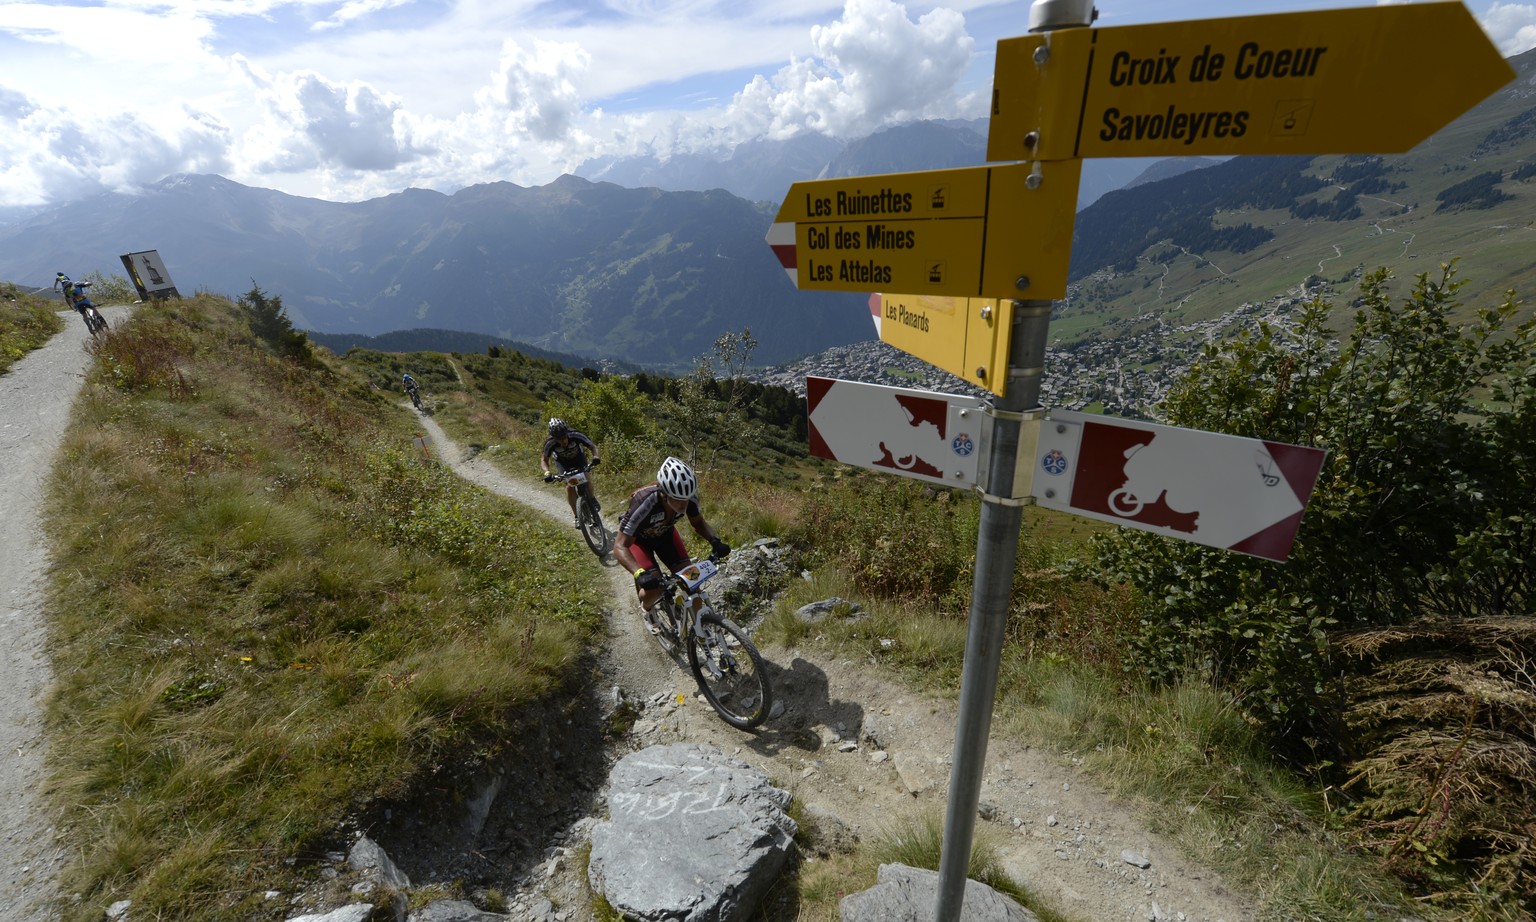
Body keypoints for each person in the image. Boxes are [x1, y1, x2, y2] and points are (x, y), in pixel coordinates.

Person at [613, 456, 731, 632]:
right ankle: (646, 609)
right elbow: (620, 546)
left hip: (666, 537)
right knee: (655, 588)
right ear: (664, 494)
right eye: (677, 499)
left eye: (686, 499)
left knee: (693, 582)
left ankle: (704, 628)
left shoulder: (688, 498)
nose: (683, 504)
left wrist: (715, 541)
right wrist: (639, 573)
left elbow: (698, 523)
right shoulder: (645, 501)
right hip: (639, 542)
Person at [540, 418, 602, 527]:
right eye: (558, 439)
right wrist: (547, 472)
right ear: (554, 438)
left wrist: (596, 456)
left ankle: (592, 499)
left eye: (564, 437)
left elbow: (592, 446)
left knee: (586, 479)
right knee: (570, 487)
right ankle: (577, 516)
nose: (563, 441)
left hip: (579, 459)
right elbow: (544, 460)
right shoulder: (550, 443)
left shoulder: (575, 435)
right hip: (563, 464)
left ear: (567, 432)